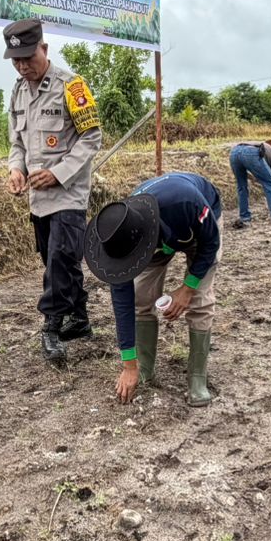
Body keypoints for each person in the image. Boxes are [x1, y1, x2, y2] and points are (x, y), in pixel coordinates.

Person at [3, 18, 103, 365]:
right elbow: (16, 141)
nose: (23, 66)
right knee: (55, 259)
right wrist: (16, 168)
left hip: (68, 192)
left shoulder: (72, 86)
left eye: (28, 58)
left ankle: (51, 325)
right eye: (16, 60)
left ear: (43, 49)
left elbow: (92, 138)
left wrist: (58, 174)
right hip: (37, 196)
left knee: (60, 258)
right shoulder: (18, 91)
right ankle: (80, 319)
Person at [84, 172, 222, 407]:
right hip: (157, 240)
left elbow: (211, 243)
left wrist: (188, 288)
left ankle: (197, 378)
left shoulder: (184, 202)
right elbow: (124, 305)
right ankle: (145, 369)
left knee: (200, 301)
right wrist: (129, 365)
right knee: (140, 297)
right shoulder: (119, 240)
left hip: (198, 230)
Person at [228, 138, 271, 227]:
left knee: (242, 187)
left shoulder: (266, 148)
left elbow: (254, 174)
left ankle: (244, 218)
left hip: (234, 152)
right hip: (251, 153)